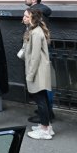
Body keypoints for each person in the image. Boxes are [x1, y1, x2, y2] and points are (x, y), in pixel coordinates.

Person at [23, 8, 54, 140]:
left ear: (32, 18)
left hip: (37, 71)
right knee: (43, 99)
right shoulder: (35, 30)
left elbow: (35, 57)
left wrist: (30, 75)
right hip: (39, 70)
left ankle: (45, 129)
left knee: (40, 100)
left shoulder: (35, 33)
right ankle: (46, 126)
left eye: (25, 16)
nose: (23, 18)